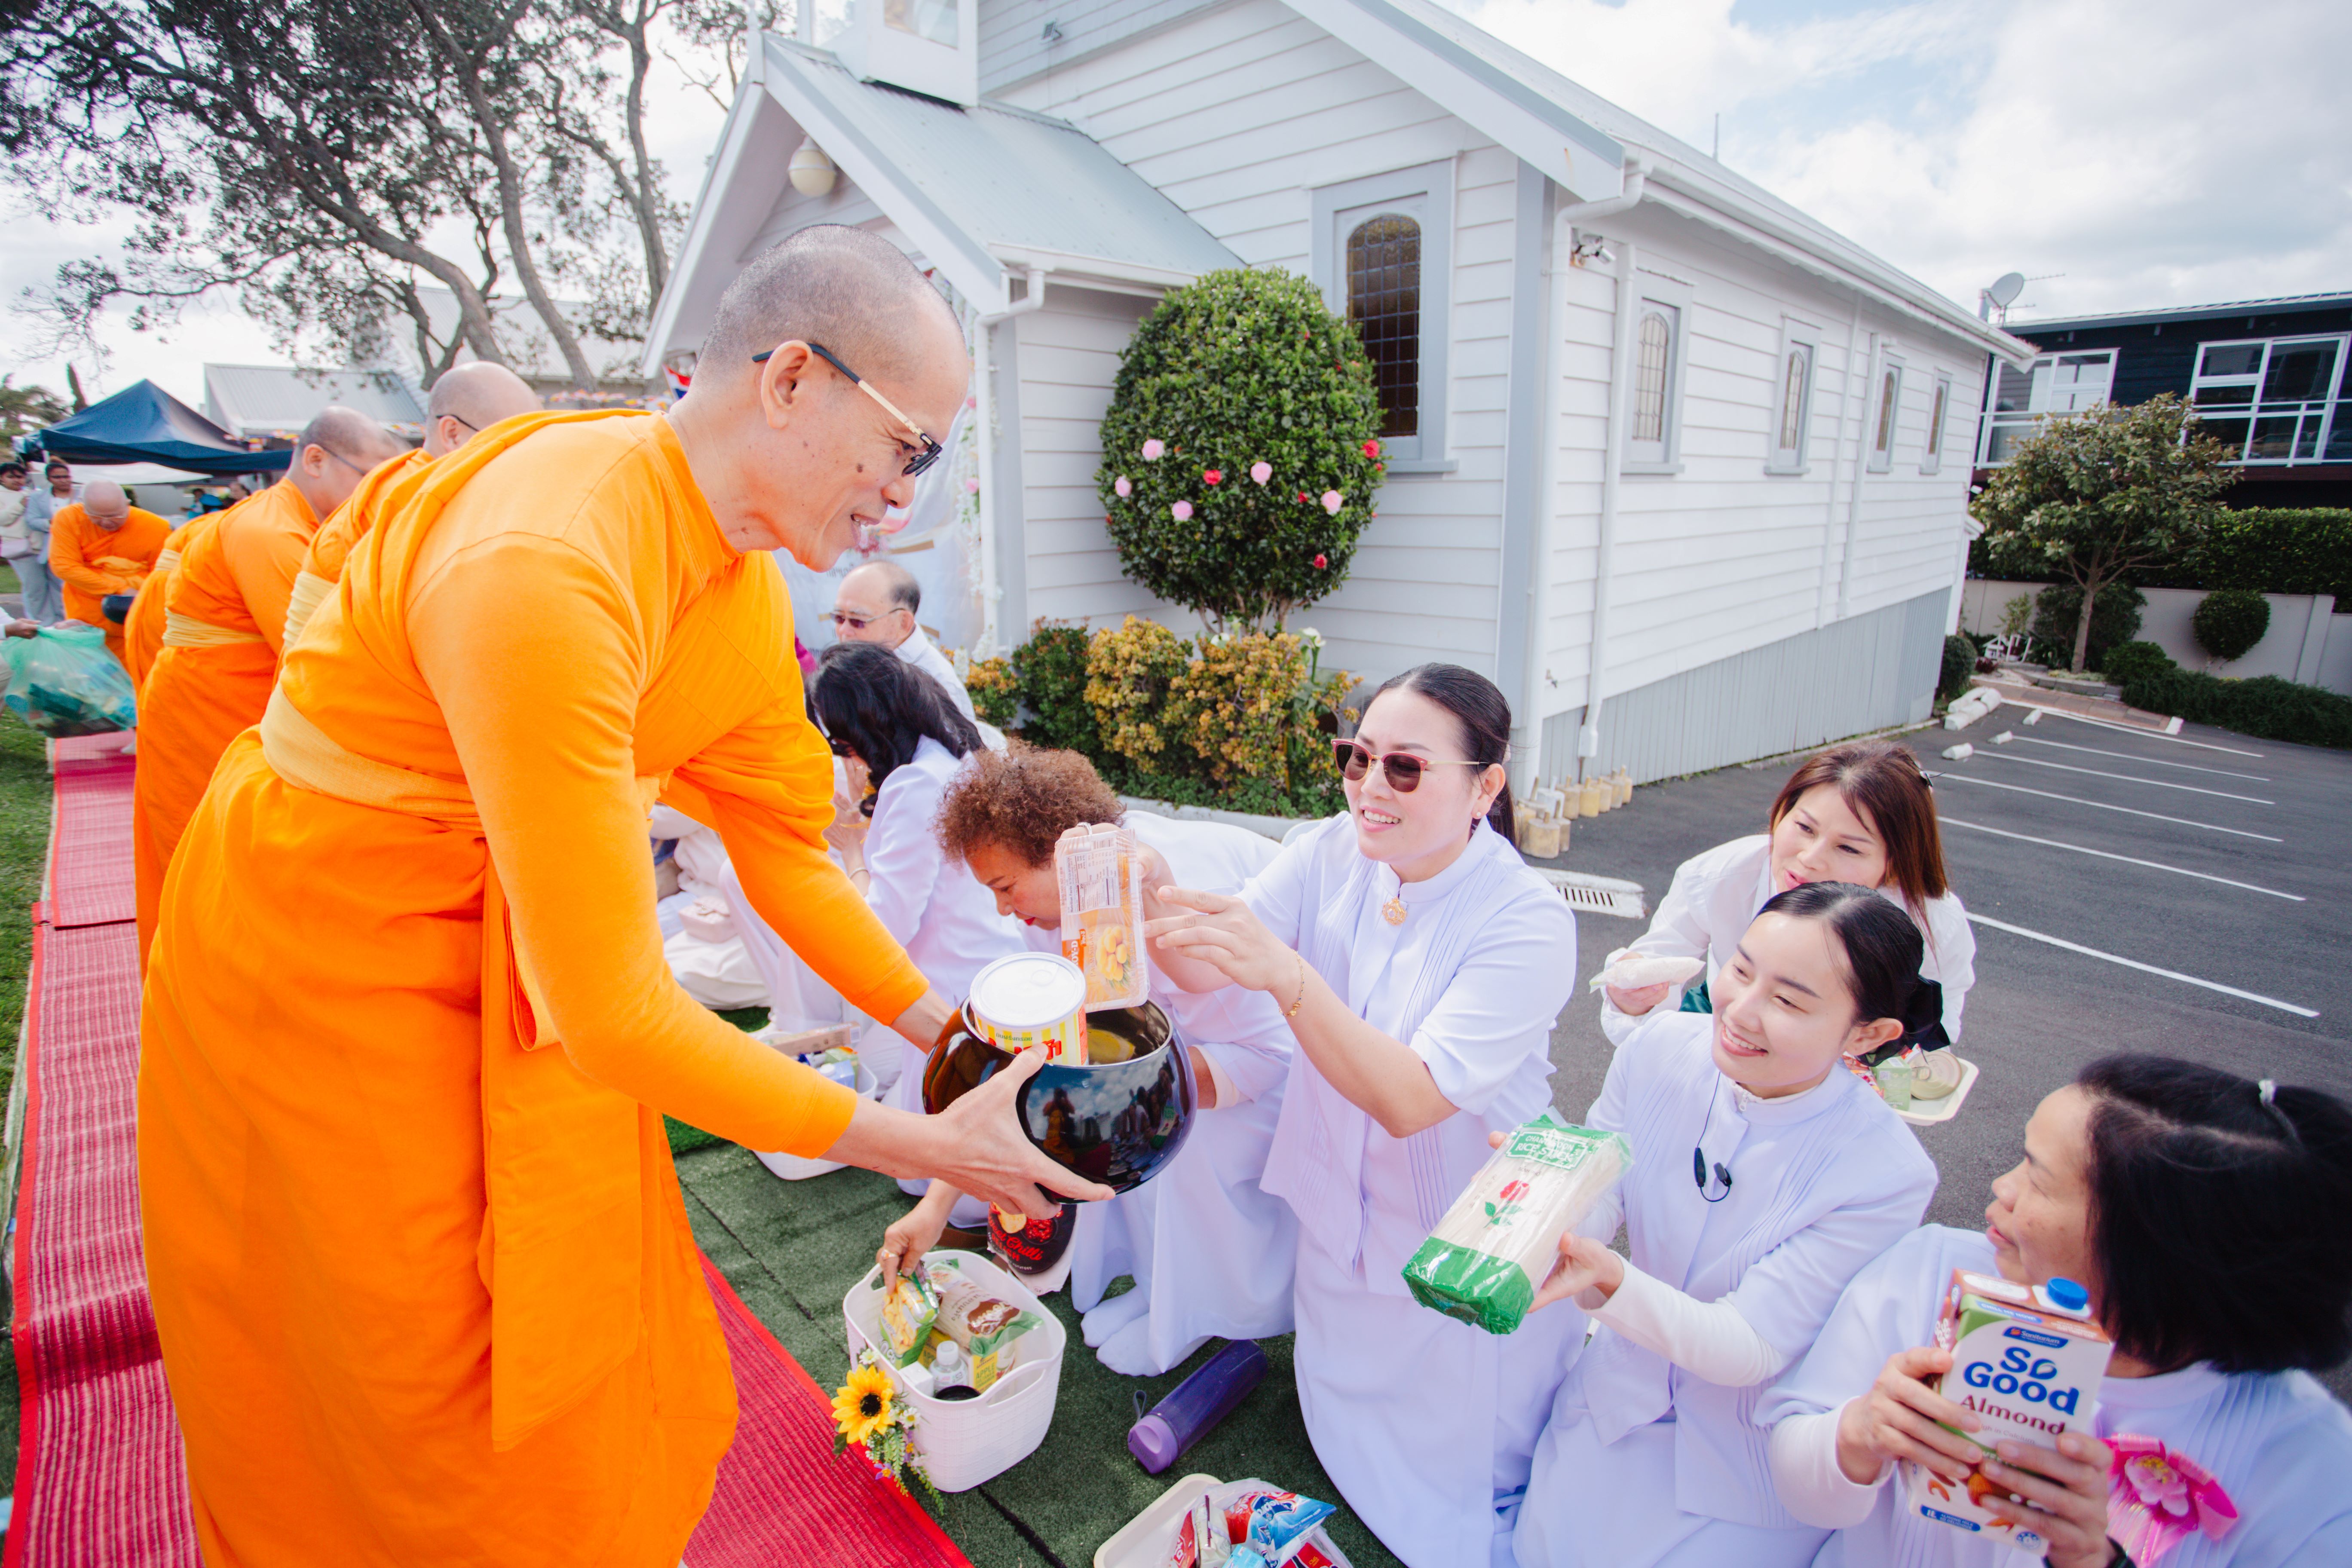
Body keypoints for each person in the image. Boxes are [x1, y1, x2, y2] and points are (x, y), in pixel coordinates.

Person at [137, 224, 1110, 1568]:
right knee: (396, 1397)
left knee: (584, 1339)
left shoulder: (736, 574)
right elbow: (615, 1015)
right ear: (791, 380)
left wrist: (953, 1043)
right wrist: (932, 1145)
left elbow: (785, 849)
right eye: (910, 448)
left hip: (523, 967)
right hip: (328, 979)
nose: (905, 500)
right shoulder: (550, 560)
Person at [1144, 664, 1579, 1568]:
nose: (1371, 786)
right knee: (1341, 1385)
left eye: (1405, 767)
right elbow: (1207, 966)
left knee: (1457, 1449)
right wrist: (1143, 891)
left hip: (1460, 1211)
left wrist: (1290, 978)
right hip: (1338, 1189)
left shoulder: (1527, 918)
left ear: (1485, 787)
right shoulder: (1329, 849)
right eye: (1357, 758)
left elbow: (1412, 1099)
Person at [1764, 1056, 2352, 1567]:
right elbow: (1792, 1484)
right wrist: (1860, 1433)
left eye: (2039, 1181)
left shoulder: (2310, 1468)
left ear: (2153, 1247)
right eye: (2021, 1158)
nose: (2002, 1187)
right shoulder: (1931, 1270)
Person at [1509, 882, 1942, 1568]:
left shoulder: (1885, 1172)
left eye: (1789, 1001)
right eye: (1740, 969)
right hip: (1609, 1404)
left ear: (1868, 1034)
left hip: (1742, 1462)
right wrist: (1541, 1198)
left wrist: (1609, 1281)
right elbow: (1601, 1188)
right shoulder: (1659, 1050)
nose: (1739, 1010)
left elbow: (1751, 1346)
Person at [880, 746, 1298, 1375]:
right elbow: (1029, 1058)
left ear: (1057, 854)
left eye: (1004, 887)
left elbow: (1270, 1047)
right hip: (1183, 1044)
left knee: (1159, 1130)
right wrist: (936, 1203)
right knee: (1100, 1110)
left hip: (1275, 1055)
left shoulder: (1172, 887)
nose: (1001, 909)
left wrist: (1145, 1091)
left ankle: (1195, 1312)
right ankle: (1156, 1283)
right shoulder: (1050, 909)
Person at [129, 407, 411, 960]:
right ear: (316, 460)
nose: (380, 493)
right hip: (209, 712)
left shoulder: (304, 524)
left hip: (238, 701)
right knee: (210, 865)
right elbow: (315, 649)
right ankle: (205, 987)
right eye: (371, 476)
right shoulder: (271, 532)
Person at [1605, 740, 1975, 1045]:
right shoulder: (1719, 876)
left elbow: (1942, 1015)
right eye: (1804, 827)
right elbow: (1654, 964)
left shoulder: (1932, 921)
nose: (1810, 858)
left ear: (1895, 863)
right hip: (1728, 1032)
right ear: (1783, 810)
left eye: (1849, 848)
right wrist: (1634, 1002)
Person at [787, 639, 1018, 1107]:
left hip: (951, 992)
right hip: (981, 966)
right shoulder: (954, 754)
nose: (848, 757)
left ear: (869, 727)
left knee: (891, 1115)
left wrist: (852, 853)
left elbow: (883, 929)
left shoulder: (916, 784)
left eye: (843, 743)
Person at [280, 362, 543, 651]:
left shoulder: (433, 486)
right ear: (453, 434)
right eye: (511, 443)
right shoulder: (408, 497)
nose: (524, 460)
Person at [830, 557, 975, 719]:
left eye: (857, 621)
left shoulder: (937, 687)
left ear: (903, 623)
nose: (844, 630)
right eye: (839, 618)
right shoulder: (848, 666)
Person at [47, 478, 171, 664]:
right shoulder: (68, 518)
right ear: (83, 506)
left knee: (142, 665)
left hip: (137, 610)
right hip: (88, 611)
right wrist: (121, 588)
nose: (107, 523)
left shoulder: (155, 526)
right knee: (94, 669)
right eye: (96, 516)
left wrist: (137, 591)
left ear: (127, 504)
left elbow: (164, 575)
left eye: (115, 516)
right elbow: (64, 567)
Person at [18, 460, 70, 623]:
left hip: (74, 547)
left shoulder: (81, 495)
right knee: (39, 589)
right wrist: (53, 524)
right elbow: (32, 520)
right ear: (49, 479)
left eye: (66, 476)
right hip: (49, 548)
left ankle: (67, 620)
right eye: (58, 477)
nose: (63, 480)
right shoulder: (38, 497)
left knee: (65, 588)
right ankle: (45, 624)